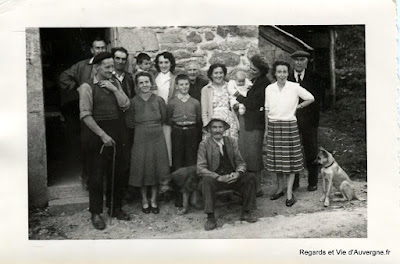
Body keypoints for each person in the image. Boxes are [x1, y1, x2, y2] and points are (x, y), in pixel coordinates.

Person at [77, 52, 131, 230]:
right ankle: (96, 213)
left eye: (112, 66)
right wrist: (102, 135)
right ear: (97, 68)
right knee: (97, 176)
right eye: (107, 67)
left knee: (118, 172)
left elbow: (125, 105)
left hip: (117, 130)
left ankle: (115, 208)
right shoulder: (87, 87)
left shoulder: (115, 82)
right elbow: (85, 115)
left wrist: (115, 89)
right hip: (96, 134)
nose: (111, 70)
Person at [264, 61, 315, 207]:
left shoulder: (294, 87)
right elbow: (267, 109)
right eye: (279, 72)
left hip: (289, 126)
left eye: (284, 72)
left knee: (290, 162)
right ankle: (280, 188)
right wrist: (267, 129)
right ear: (275, 73)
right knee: (277, 161)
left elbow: (311, 98)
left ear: (288, 73)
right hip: (274, 125)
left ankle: (289, 193)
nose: (282, 75)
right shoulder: (269, 89)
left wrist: (298, 106)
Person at [59, 37, 107, 189]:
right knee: (88, 146)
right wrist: (76, 87)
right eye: (97, 48)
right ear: (92, 50)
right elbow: (63, 77)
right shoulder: (82, 66)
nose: (100, 50)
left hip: (104, 112)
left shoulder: (108, 64)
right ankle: (87, 179)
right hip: (87, 112)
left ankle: (104, 183)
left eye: (102, 48)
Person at [197, 116, 258, 231]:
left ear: (224, 129)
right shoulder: (204, 144)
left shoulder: (231, 141)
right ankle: (210, 217)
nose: (217, 130)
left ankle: (246, 212)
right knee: (206, 181)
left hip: (232, 178)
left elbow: (241, 162)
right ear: (209, 129)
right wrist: (218, 177)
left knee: (250, 177)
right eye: (214, 127)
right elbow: (200, 168)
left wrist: (238, 173)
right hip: (216, 180)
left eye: (220, 127)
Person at [125, 72, 169, 215]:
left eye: (147, 82)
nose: (144, 85)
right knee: (142, 168)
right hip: (140, 138)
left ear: (151, 83)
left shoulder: (159, 100)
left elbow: (164, 117)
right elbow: (130, 123)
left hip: (157, 136)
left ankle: (154, 200)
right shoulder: (133, 102)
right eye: (141, 83)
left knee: (155, 168)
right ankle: (144, 200)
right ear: (137, 86)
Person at [235, 55, 271, 197]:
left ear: (261, 71)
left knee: (254, 156)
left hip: (255, 124)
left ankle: (257, 188)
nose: (251, 70)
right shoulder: (256, 81)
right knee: (248, 155)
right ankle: (251, 186)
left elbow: (252, 103)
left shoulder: (264, 83)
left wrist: (238, 95)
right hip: (249, 122)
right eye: (250, 67)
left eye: (254, 69)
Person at [288, 50, 323, 192]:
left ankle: (312, 181)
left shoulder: (314, 77)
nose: (299, 63)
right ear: (293, 61)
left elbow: (319, 98)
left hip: (309, 120)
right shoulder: (287, 77)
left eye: (302, 60)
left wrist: (310, 113)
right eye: (296, 60)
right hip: (292, 119)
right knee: (293, 150)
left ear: (306, 62)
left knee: (311, 150)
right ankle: (294, 182)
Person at [111, 47, 136, 197]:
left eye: (123, 59)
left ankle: (125, 192)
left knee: (126, 158)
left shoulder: (129, 77)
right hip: (112, 122)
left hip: (126, 123)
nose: (120, 62)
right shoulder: (107, 77)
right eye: (117, 58)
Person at [167, 74, 201, 172]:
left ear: (189, 85)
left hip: (192, 131)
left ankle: (190, 182)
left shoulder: (195, 102)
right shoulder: (172, 102)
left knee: (191, 156)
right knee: (177, 156)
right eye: (181, 85)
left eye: (186, 84)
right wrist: (178, 125)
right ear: (177, 86)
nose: (184, 87)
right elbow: (168, 118)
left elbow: (198, 119)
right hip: (177, 131)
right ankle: (178, 182)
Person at [201, 63, 239, 141]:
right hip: (213, 123)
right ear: (211, 75)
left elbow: (235, 103)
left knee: (229, 148)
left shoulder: (230, 86)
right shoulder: (206, 89)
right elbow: (204, 112)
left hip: (229, 123)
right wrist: (206, 127)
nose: (218, 75)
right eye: (216, 73)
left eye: (221, 73)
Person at [154, 51, 177, 167]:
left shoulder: (174, 79)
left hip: (167, 117)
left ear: (171, 63)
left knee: (168, 145)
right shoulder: (153, 78)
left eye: (166, 62)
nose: (163, 65)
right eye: (161, 62)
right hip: (154, 117)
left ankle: (166, 170)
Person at [185, 61, 208, 145]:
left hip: (201, 116)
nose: (192, 72)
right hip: (188, 116)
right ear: (186, 71)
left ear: (198, 71)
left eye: (194, 70)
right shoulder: (183, 83)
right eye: (189, 70)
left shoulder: (204, 83)